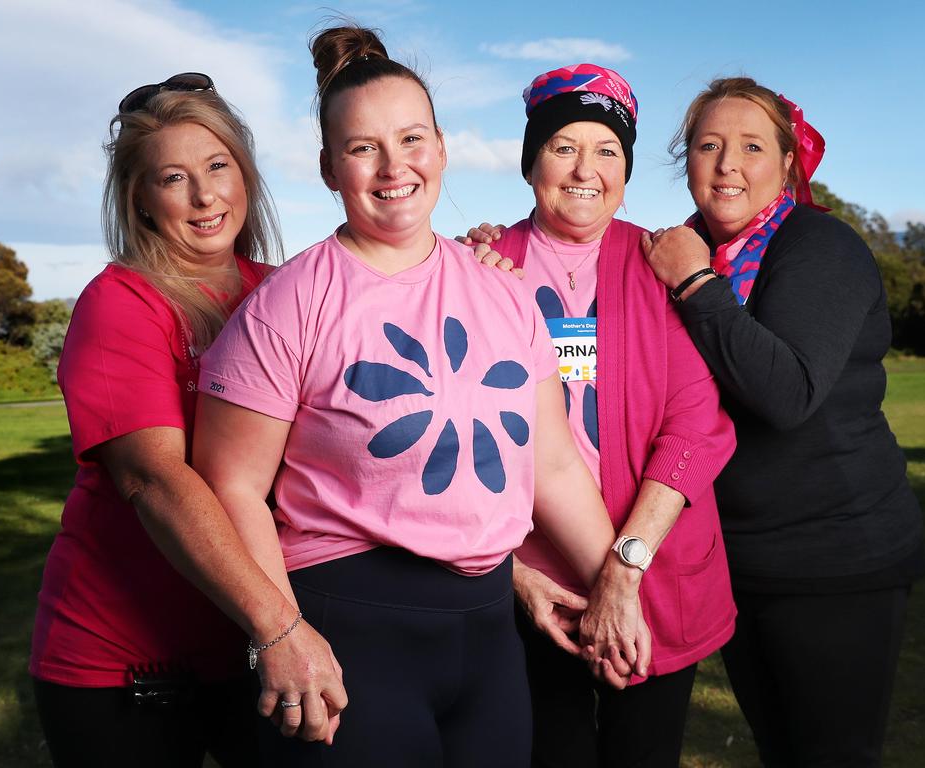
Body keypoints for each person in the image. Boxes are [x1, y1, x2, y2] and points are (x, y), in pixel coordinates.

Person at [190, 26, 618, 768]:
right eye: (363, 148)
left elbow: (551, 467)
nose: (394, 167)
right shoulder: (291, 302)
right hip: (347, 633)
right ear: (329, 168)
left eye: (412, 139)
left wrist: (621, 584)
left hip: (487, 638)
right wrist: (281, 635)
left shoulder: (504, 295)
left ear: (443, 150)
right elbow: (229, 486)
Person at [642, 77, 925, 767]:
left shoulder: (817, 246)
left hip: (835, 559)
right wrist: (503, 250)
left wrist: (695, 285)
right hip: (735, 559)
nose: (727, 164)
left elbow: (788, 392)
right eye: (708, 145)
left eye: (750, 146)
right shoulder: (675, 251)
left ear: (787, 163)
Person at [461, 63, 737, 767]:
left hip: (658, 574)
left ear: (627, 169)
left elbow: (696, 424)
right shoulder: (479, 270)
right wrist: (515, 572)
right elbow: (461, 448)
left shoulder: (662, 263)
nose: (586, 169)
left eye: (607, 150)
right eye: (562, 147)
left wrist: (623, 569)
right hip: (534, 591)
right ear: (530, 163)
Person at [28, 73, 301, 767]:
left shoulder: (286, 292)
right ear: (140, 200)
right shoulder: (119, 304)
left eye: (218, 167)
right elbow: (155, 481)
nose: (206, 196)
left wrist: (477, 263)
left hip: (250, 641)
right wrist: (281, 628)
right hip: (127, 660)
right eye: (174, 178)